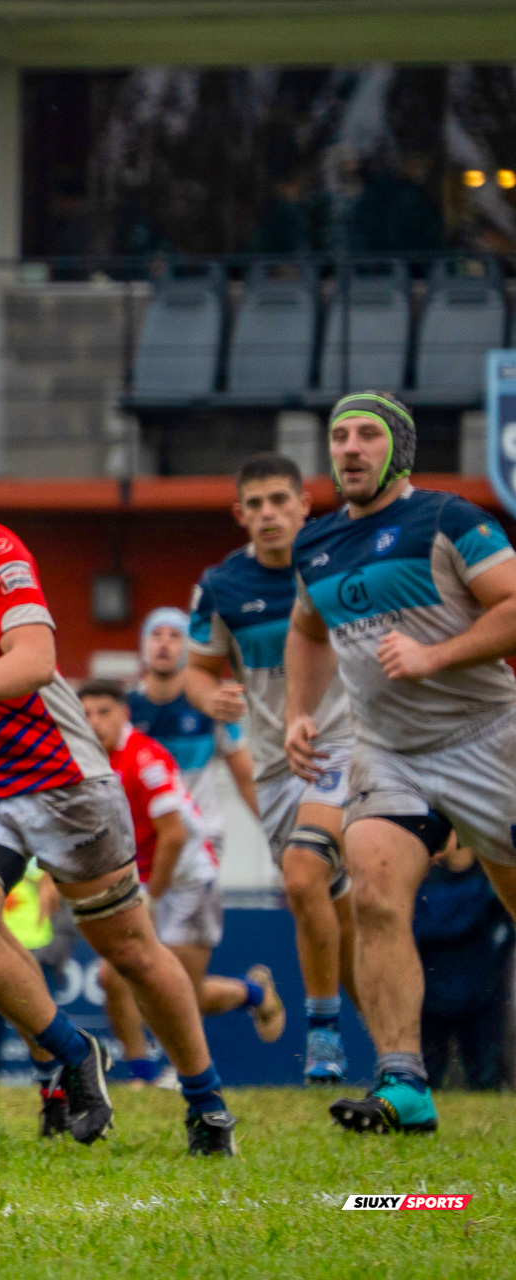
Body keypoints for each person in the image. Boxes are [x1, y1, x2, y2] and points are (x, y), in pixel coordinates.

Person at [0, 397, 239, 1156]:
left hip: (62, 781)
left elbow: (35, 660)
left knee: (131, 951)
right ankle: (72, 1053)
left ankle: (206, 1101)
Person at [285, 390, 516, 1135]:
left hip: (489, 737)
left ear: (400, 450)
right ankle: (404, 1083)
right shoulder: (316, 545)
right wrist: (298, 711)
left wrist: (434, 655)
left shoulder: (450, 519)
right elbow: (307, 628)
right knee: (375, 897)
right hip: (390, 754)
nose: (350, 448)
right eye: (340, 436)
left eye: (367, 435)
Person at [185, 452, 358, 1083]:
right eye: (255, 504)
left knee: (305, 876)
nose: (268, 514)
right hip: (275, 764)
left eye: (280, 500)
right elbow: (197, 672)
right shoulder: (221, 585)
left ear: (305, 505)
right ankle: (395, 1054)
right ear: (239, 514)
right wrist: (213, 697)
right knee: (332, 904)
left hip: (345, 744)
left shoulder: (339, 562)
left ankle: (323, 1030)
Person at [78, 681, 285, 1085]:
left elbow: (174, 835)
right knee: (111, 977)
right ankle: (143, 1077)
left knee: (180, 993)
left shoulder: (145, 757)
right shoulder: (88, 761)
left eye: (103, 712)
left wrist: (151, 899)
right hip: (143, 878)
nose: (94, 722)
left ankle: (254, 995)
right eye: (86, 714)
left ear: (124, 714)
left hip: (187, 879)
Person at [126, 608, 256, 867]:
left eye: (175, 636)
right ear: (143, 645)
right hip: (141, 838)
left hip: (202, 834)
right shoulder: (124, 710)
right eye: (156, 635)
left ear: (189, 648)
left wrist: (273, 828)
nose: (164, 643)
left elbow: (245, 778)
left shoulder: (211, 706)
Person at [415, 833, 512, 1091]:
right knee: (427, 1078)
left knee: (487, 1078)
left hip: (485, 996)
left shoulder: (496, 878)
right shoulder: (422, 878)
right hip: (429, 996)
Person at [0, 860, 61, 1083]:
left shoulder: (35, 857)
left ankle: (51, 1073)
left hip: (35, 948)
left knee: (41, 1017)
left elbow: (50, 883)